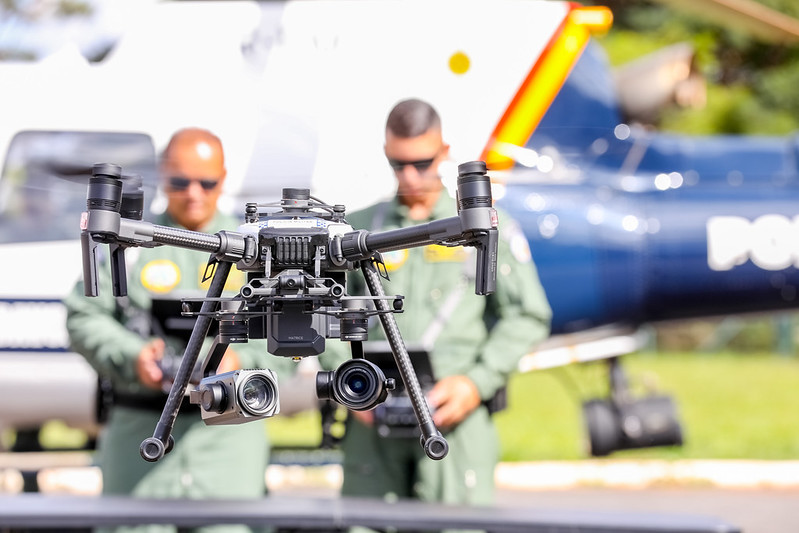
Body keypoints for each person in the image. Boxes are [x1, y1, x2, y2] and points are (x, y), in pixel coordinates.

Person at [322, 99, 552, 511]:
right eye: (398, 164)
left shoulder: (482, 228)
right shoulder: (356, 232)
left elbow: (529, 314)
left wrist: (476, 383)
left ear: (445, 152)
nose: (410, 175)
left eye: (423, 163)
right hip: (373, 416)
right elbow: (322, 314)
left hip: (453, 417)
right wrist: (346, 380)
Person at [64, 128, 280, 533]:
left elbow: (294, 336)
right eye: (181, 181)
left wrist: (240, 360)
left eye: (207, 182)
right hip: (140, 439)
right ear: (164, 175)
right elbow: (82, 316)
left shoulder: (258, 252)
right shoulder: (126, 243)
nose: (194, 192)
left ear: (224, 177)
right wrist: (133, 355)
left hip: (227, 443)